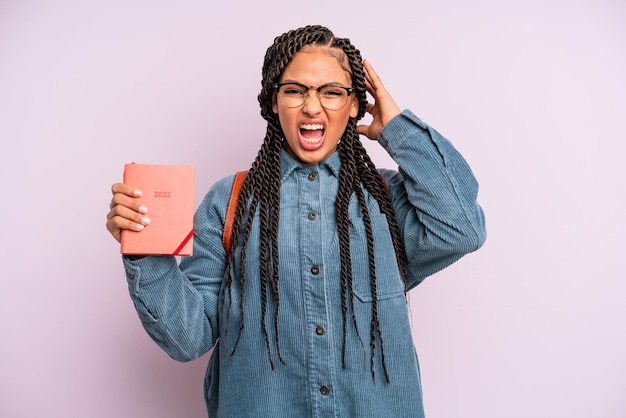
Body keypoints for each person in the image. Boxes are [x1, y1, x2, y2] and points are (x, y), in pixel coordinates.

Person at [106, 25, 486, 418]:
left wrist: (397, 128)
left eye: (332, 92)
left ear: (355, 104)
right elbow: (188, 338)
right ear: (274, 101)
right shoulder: (229, 201)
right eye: (295, 90)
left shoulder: (387, 201)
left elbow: (461, 228)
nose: (311, 107)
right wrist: (142, 248)